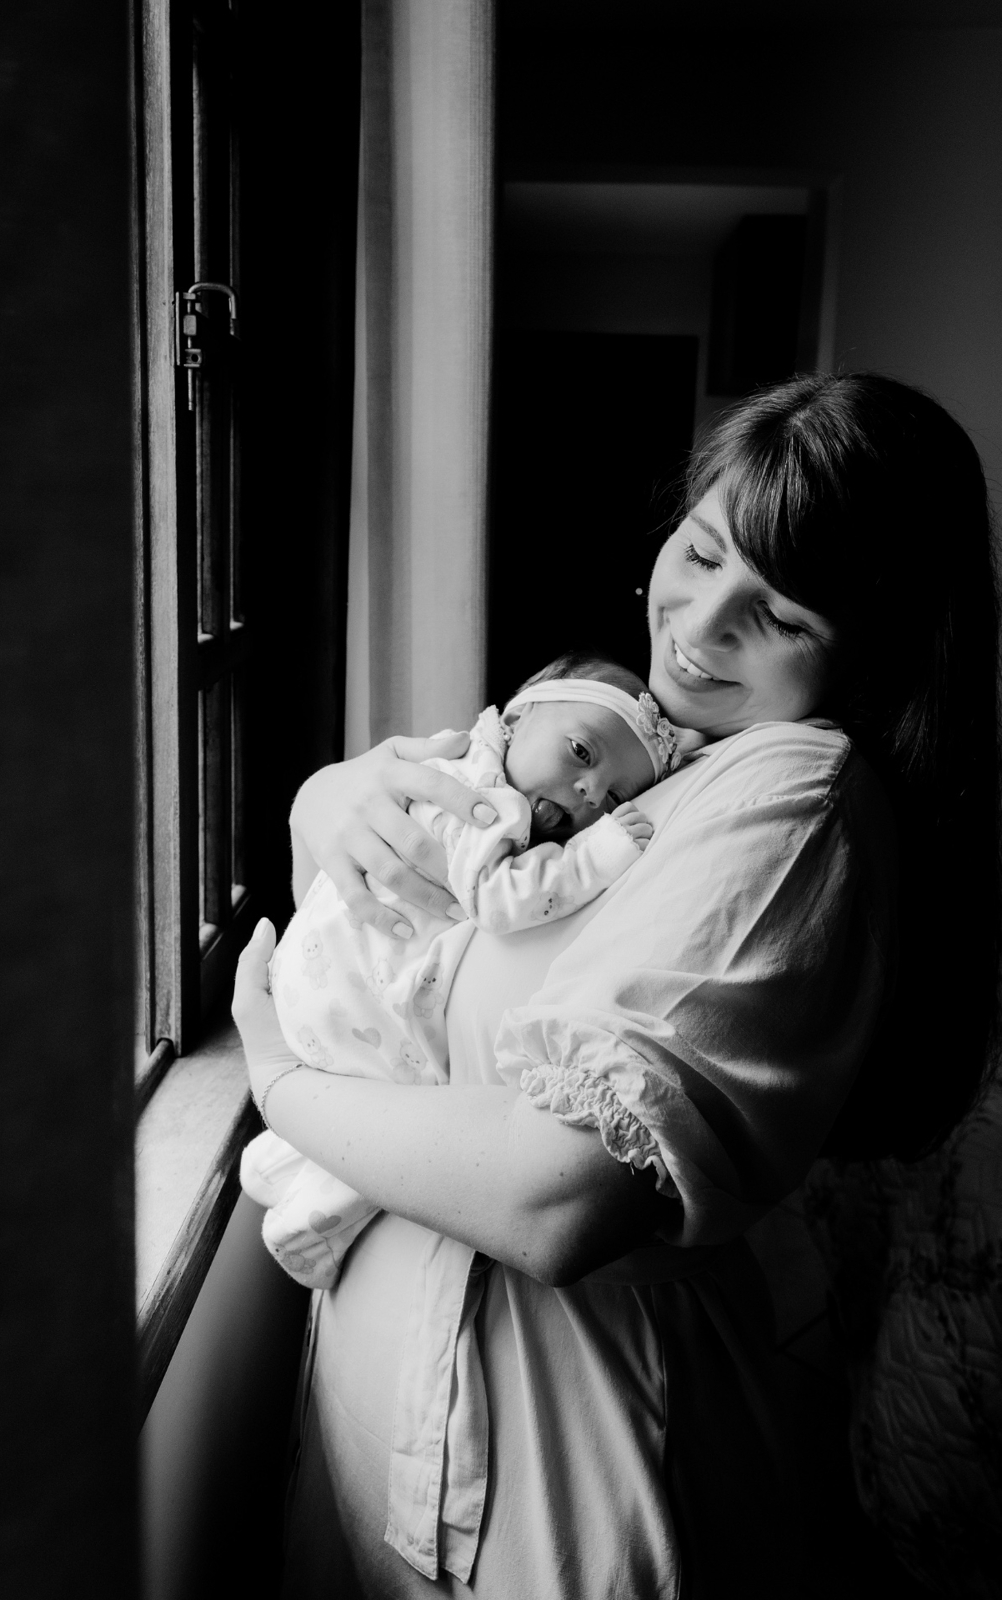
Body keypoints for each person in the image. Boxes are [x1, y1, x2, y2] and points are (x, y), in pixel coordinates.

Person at [232, 373, 1001, 1598]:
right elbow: (402, 975)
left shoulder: (792, 797)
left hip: (566, 1473)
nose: (700, 626)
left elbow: (554, 1199)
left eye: (779, 615)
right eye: (697, 552)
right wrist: (326, 806)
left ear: (870, 651)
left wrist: (279, 1084)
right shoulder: (646, 750)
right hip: (399, 1433)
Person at [240, 654, 699, 1290]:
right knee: (400, 1108)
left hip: (315, 988)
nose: (592, 792)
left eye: (615, 795)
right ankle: (312, 1223)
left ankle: (281, 1162)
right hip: (345, 1003)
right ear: (517, 718)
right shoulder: (484, 799)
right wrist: (599, 854)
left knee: (364, 1107)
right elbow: (499, 899)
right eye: (581, 751)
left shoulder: (465, 767)